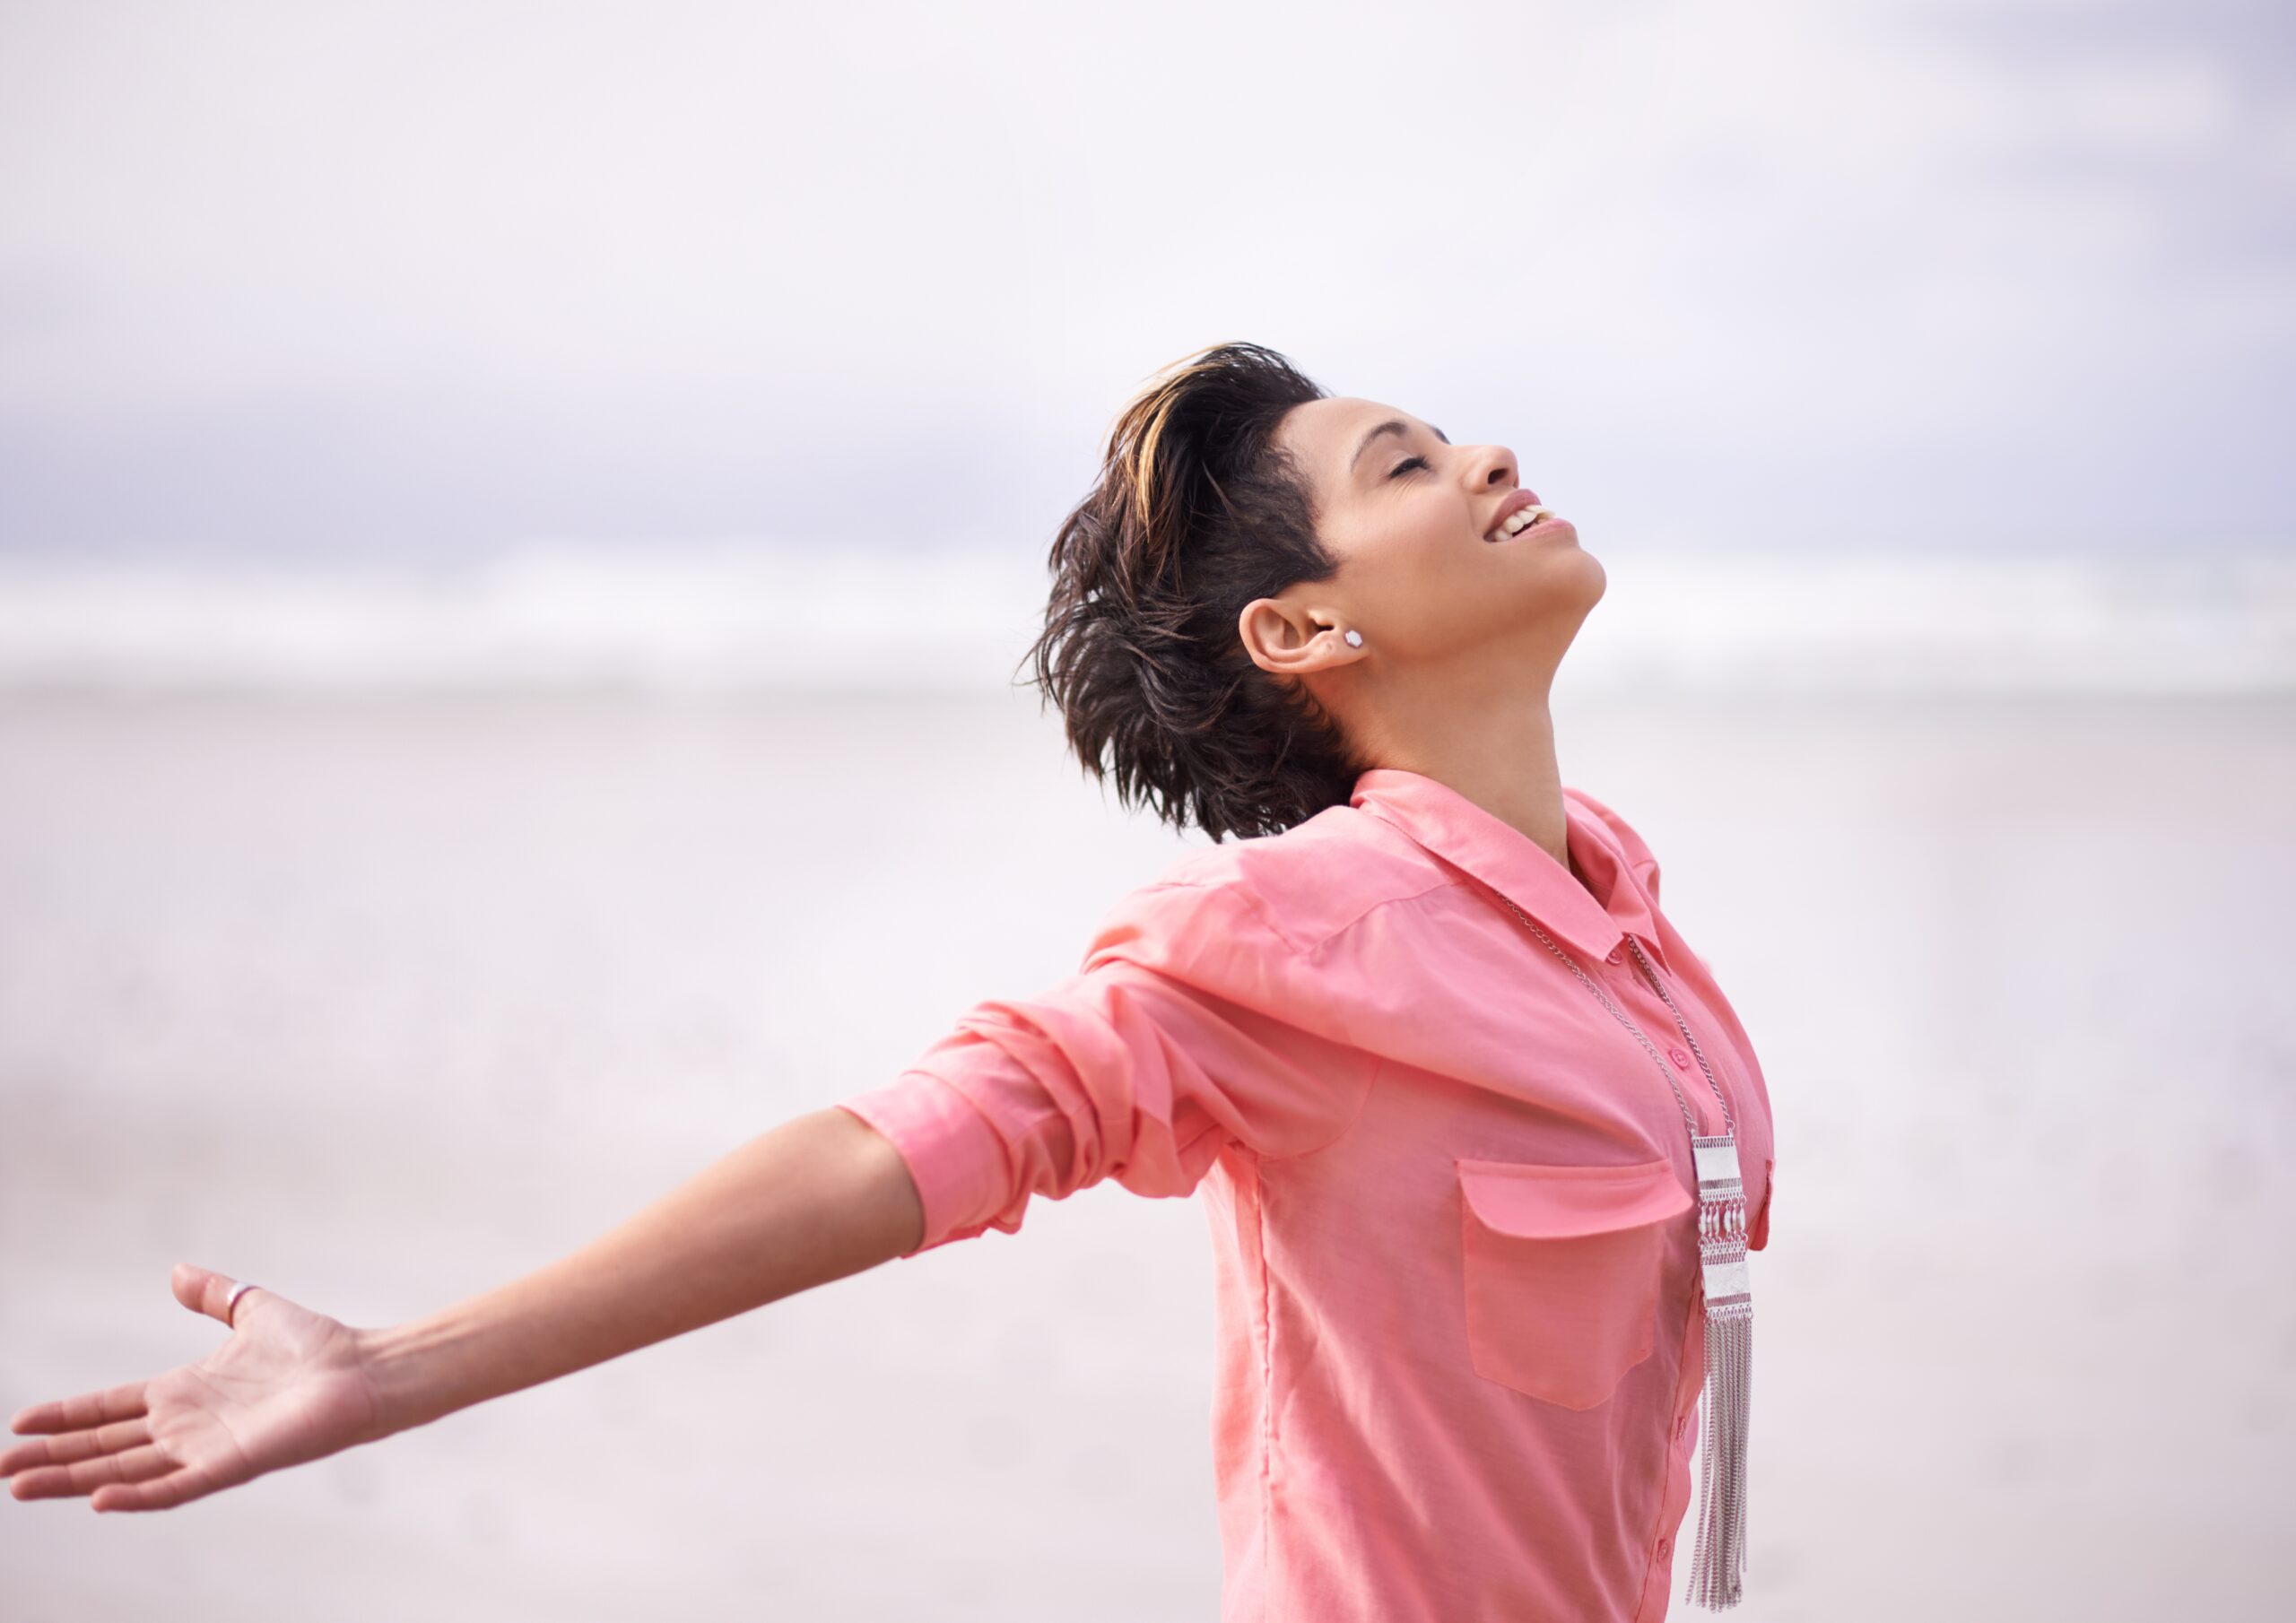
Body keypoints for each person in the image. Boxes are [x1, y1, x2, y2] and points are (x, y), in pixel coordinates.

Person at [2, 342, 1777, 1619]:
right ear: (1303, 628)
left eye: (1444, 440)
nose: (1483, 457)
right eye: (1406, 465)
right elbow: (896, 1146)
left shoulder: (1627, 921)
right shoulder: (1290, 942)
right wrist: (397, 1366)